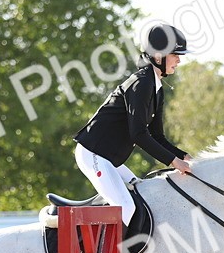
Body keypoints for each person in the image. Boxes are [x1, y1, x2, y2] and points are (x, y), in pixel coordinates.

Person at [73, 21, 193, 226]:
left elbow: (157, 136)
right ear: (158, 56)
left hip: (108, 158)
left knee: (141, 194)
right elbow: (138, 134)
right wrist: (174, 162)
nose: (179, 60)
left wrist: (184, 156)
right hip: (93, 153)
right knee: (126, 208)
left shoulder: (156, 87)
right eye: (175, 54)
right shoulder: (141, 83)